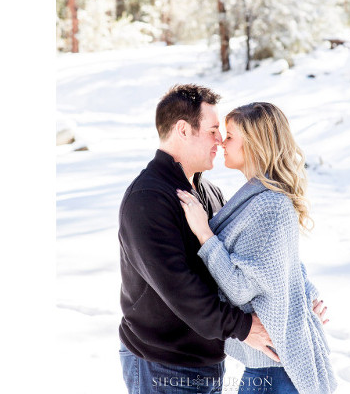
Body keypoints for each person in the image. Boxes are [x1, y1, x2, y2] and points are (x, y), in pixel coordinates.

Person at [118, 85, 279, 394]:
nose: (220, 140)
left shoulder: (209, 193)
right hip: (161, 363)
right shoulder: (148, 198)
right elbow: (180, 287)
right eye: (213, 130)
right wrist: (244, 328)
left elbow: (240, 265)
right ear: (183, 130)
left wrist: (296, 297)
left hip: (207, 360)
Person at [177, 102, 337, 394]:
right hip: (272, 368)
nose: (221, 143)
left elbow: (241, 286)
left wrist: (204, 233)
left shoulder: (268, 206)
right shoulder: (259, 198)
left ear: (254, 144)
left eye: (230, 136)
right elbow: (283, 264)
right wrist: (306, 296)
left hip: (275, 373)